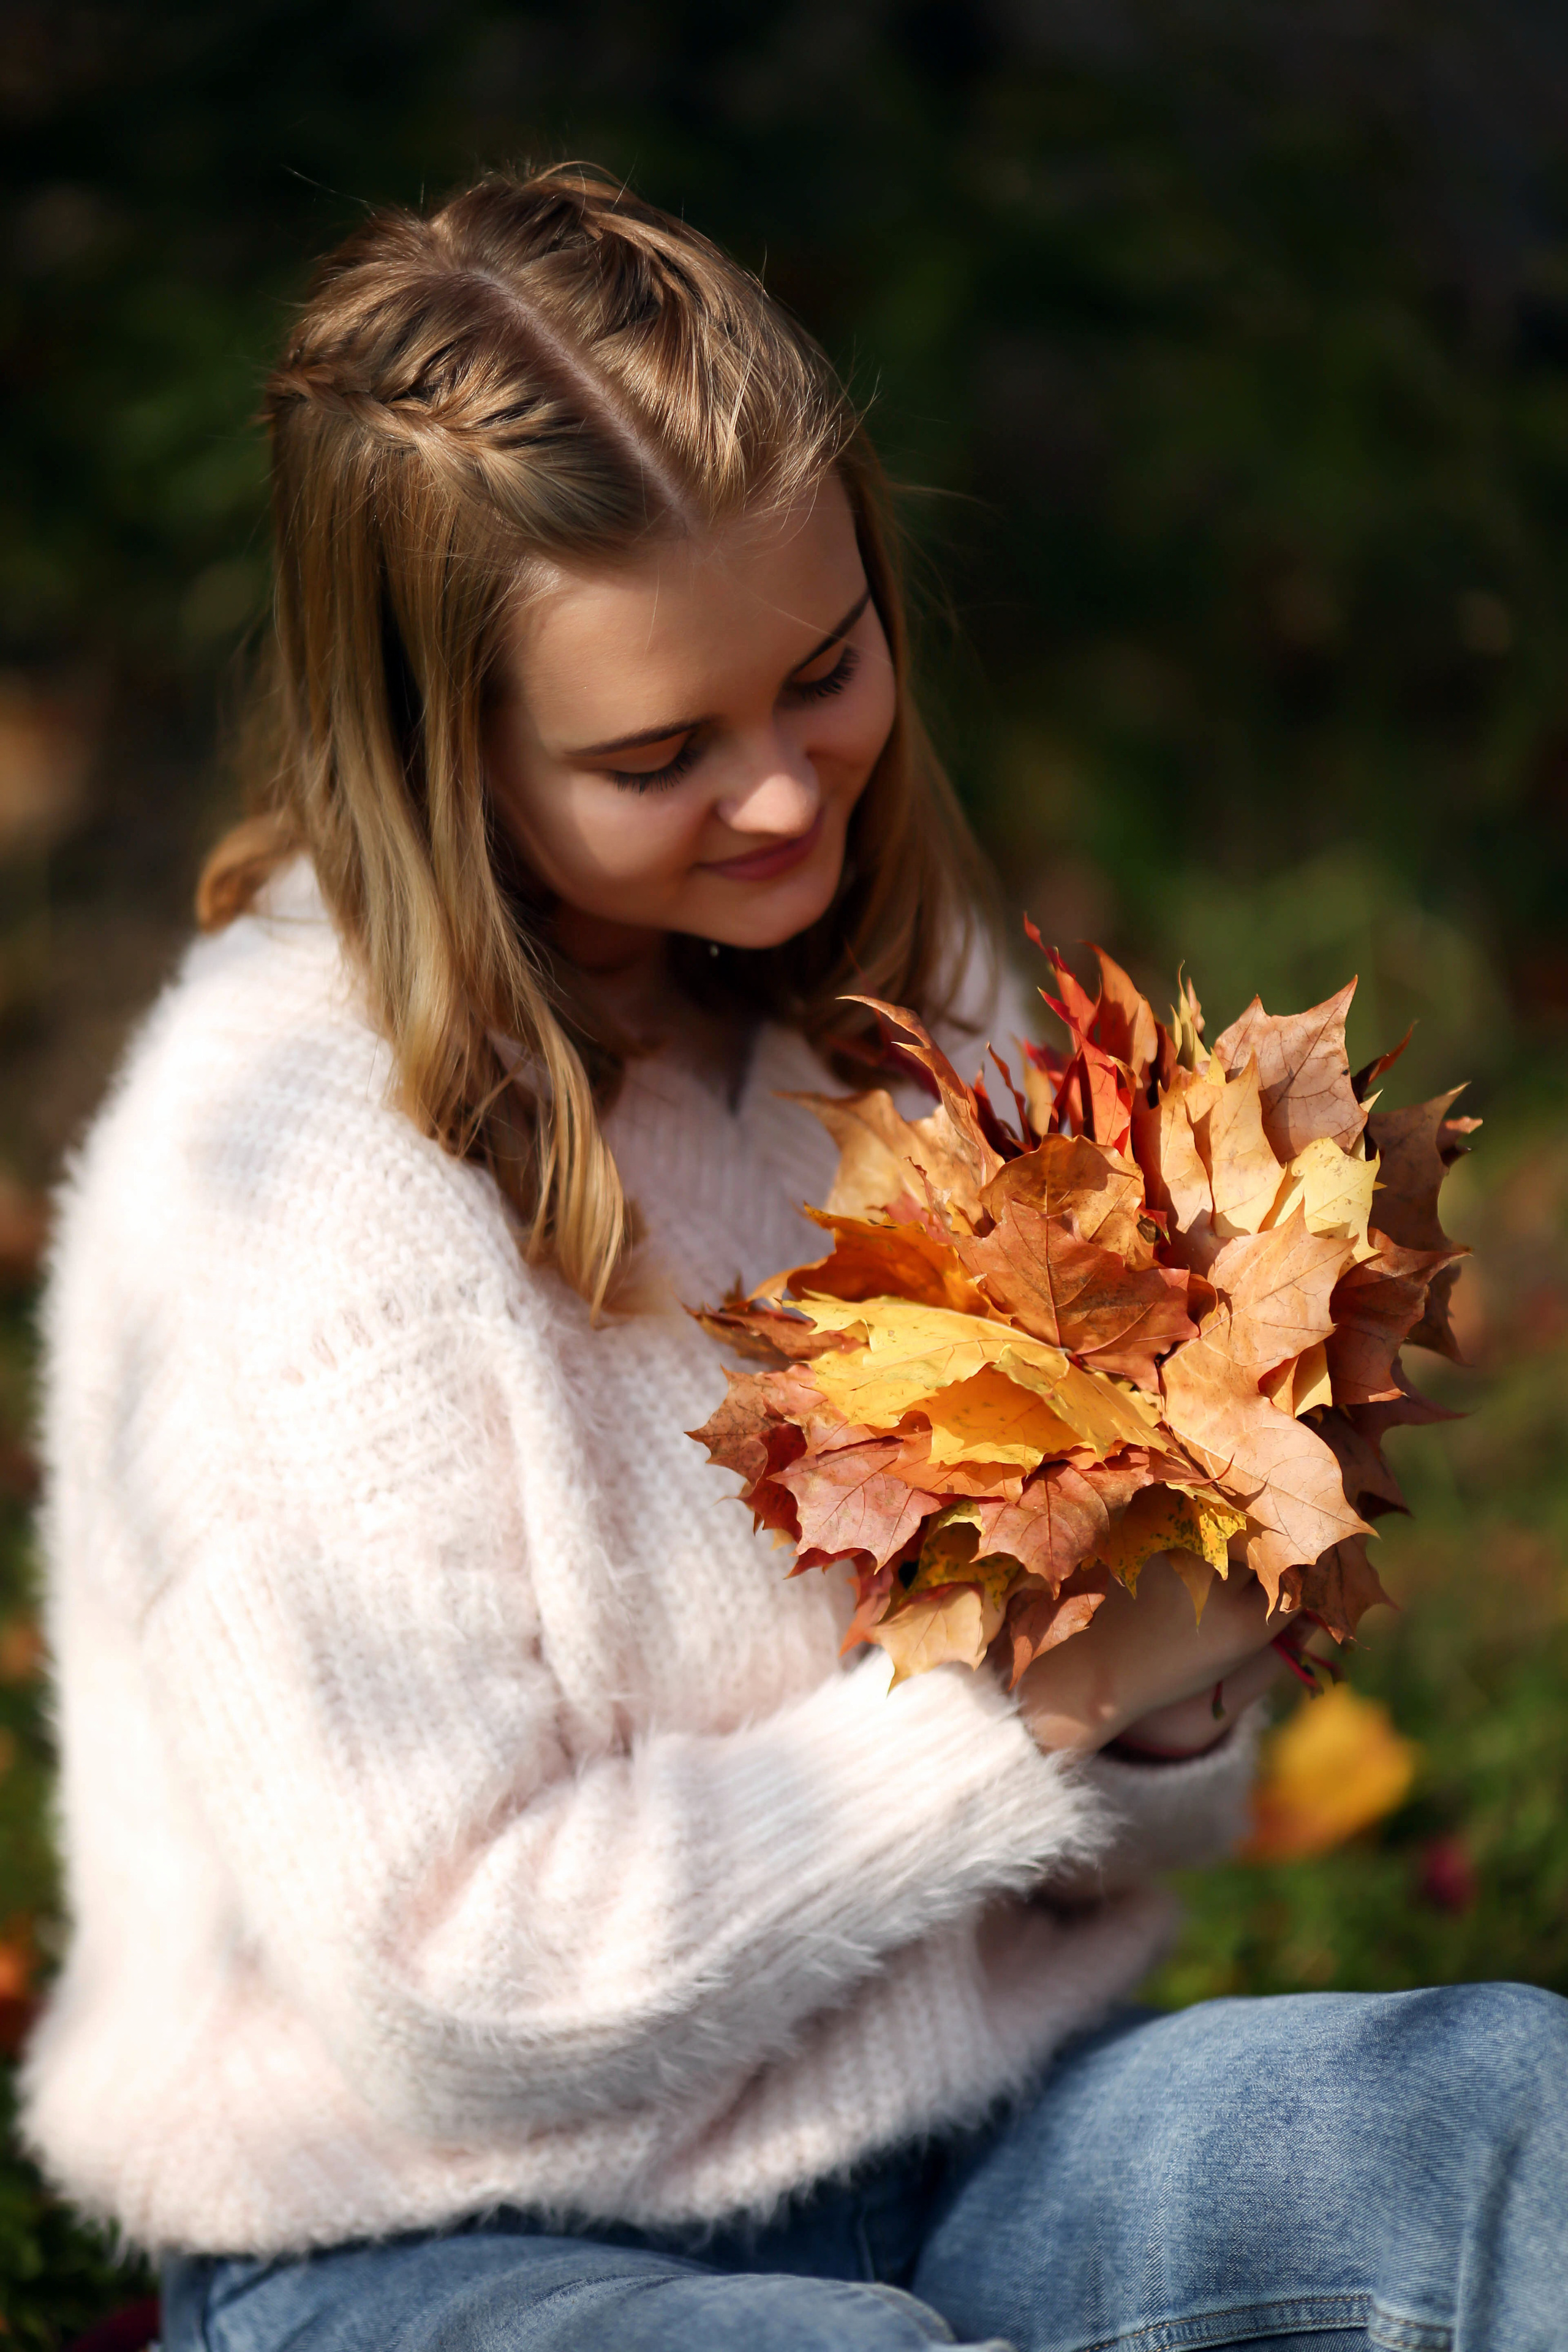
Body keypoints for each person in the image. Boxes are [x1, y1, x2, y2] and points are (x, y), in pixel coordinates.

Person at [20, 164, 1568, 2352]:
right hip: (441, 2244)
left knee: (1505, 2115)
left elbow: (1123, 1785)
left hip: (959, 2151)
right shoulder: (292, 1187)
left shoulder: (903, 992)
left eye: (821, 670)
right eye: (660, 754)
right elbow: (458, 2002)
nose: (779, 796)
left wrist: (1166, 1699)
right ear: (442, 754)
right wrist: (1018, 1727)